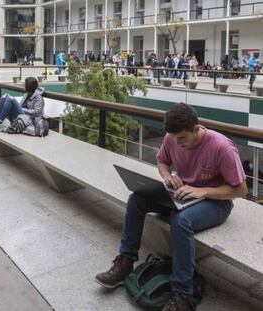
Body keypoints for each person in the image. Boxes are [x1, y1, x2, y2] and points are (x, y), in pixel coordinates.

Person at [95, 103, 247, 311]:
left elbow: (240, 190)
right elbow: (162, 162)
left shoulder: (221, 147)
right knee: (137, 198)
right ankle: (126, 262)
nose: (177, 143)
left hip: (216, 202)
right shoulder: (172, 137)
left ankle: (183, 295)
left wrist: (202, 191)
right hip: (182, 195)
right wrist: (168, 177)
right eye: (173, 138)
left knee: (181, 220)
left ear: (196, 128)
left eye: (182, 138)